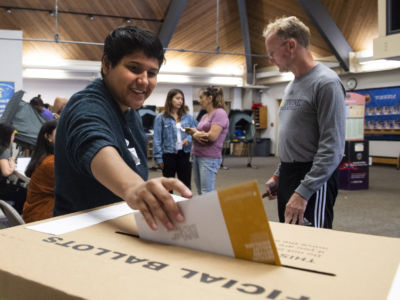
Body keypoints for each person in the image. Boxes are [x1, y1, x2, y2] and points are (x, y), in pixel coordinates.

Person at [54, 25, 192, 231]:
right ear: (107, 65)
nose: (144, 80)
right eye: (134, 68)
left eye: (152, 73)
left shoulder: (130, 111)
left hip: (120, 224)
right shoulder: (87, 105)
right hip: (80, 233)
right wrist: (135, 187)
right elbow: (93, 142)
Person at [263, 16, 345, 228]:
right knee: (290, 242)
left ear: (291, 45)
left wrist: (304, 191)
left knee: (312, 247)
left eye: (272, 53)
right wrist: (280, 174)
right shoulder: (292, 86)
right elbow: (294, 137)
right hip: (290, 174)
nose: (270, 59)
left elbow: (332, 149)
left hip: (314, 178)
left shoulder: (326, 83)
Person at [185, 86, 229, 195]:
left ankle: (210, 212)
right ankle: (204, 212)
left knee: (206, 193)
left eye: (201, 97)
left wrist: (195, 133)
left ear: (209, 98)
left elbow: (212, 136)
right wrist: (194, 132)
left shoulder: (219, 113)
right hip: (198, 155)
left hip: (209, 157)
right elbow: (203, 133)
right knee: (201, 191)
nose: (199, 100)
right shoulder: (205, 115)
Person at [153, 89, 197, 189]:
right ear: (170, 100)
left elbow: (195, 131)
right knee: (168, 186)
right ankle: (169, 204)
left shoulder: (188, 117)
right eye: (177, 98)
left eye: (182, 99)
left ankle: (187, 204)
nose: (180, 101)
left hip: (184, 154)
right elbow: (157, 139)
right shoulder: (160, 118)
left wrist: (188, 139)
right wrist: (159, 158)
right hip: (168, 155)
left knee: (185, 185)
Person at [22, 120, 57, 223]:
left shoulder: (43, 158)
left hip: (34, 215)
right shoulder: (51, 163)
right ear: (48, 137)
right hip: (42, 220)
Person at [0, 122, 26, 214]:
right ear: (8, 136)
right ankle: (16, 219)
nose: (14, 138)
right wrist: (12, 164)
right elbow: (6, 172)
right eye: (13, 135)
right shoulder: (3, 150)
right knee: (24, 193)